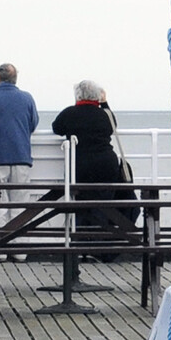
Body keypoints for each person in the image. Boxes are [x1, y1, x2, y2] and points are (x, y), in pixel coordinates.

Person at [51, 80, 135, 249]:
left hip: (79, 166)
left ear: (77, 95)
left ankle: (81, 244)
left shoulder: (69, 113)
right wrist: (104, 103)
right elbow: (113, 126)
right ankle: (100, 246)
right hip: (106, 165)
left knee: (80, 205)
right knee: (104, 205)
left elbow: (56, 128)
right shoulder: (104, 115)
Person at [0, 64, 38, 261]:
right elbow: (33, 123)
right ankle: (19, 250)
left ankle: (0, 249)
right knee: (20, 202)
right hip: (21, 155)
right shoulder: (27, 98)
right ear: (15, 79)